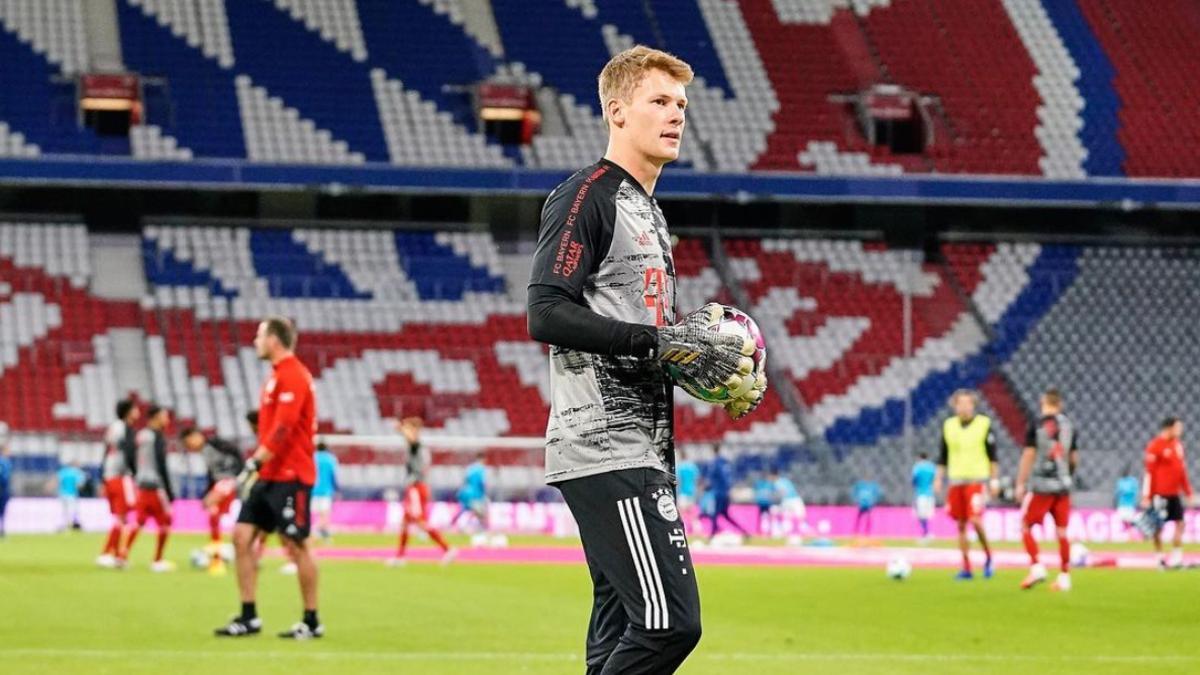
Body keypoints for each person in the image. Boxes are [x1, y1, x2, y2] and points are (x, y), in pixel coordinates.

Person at [525, 45, 765, 673]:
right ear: (617, 113)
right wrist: (657, 342)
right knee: (668, 626)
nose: (675, 114)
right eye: (659, 101)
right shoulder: (588, 195)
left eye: (681, 104)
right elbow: (546, 311)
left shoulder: (651, 213)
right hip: (606, 446)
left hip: (642, 446)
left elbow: (640, 334)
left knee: (618, 636)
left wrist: (691, 362)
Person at [214, 316, 321, 639]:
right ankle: (249, 616)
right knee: (241, 537)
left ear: (274, 340)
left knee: (297, 543)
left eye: (259, 335)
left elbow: (284, 428)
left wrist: (254, 461)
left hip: (291, 474)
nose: (255, 341)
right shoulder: (276, 376)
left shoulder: (294, 376)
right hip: (270, 474)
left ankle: (312, 621)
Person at [1016, 389, 1079, 591]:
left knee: (1025, 526)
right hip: (1063, 485)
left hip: (1042, 485)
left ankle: (1036, 566)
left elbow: (1028, 454)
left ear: (1043, 402)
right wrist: (1067, 475)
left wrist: (1021, 482)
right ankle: (1064, 576)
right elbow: (1074, 458)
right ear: (1059, 404)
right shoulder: (1070, 426)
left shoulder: (1036, 424)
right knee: (1062, 531)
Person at [934, 389, 998, 580]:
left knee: (976, 521)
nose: (963, 407)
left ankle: (988, 557)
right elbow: (943, 456)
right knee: (961, 525)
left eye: (967, 403)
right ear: (954, 405)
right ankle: (967, 566)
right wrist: (939, 478)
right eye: (960, 403)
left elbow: (993, 456)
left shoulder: (984, 424)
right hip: (956, 481)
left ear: (973, 405)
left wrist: (994, 480)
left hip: (976, 481)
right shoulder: (949, 426)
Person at [387, 416, 455, 565]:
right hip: (415, 488)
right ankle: (400, 556)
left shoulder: (417, 445)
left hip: (417, 488)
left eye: (408, 428)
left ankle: (447, 549)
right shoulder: (416, 446)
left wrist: (400, 427)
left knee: (421, 522)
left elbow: (411, 438)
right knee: (405, 523)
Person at [179, 425, 244, 574]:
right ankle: (218, 558)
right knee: (214, 516)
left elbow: (235, 455)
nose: (190, 448)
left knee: (216, 514)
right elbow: (213, 474)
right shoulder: (205, 451)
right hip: (225, 484)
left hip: (231, 482)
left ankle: (219, 559)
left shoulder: (215, 444)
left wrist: (239, 476)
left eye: (189, 443)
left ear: (195, 436)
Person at [122, 405, 175, 571]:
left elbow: (129, 455)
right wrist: (168, 489)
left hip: (141, 484)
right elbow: (161, 464)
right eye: (164, 416)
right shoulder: (156, 437)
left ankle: (122, 556)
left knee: (139, 521)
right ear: (155, 417)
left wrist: (137, 474)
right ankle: (158, 560)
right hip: (155, 485)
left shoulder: (140, 435)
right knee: (165, 521)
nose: (167, 420)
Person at [1141, 417, 1194, 569]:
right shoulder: (1155, 446)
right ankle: (1159, 559)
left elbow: (1181, 471)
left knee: (1180, 524)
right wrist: (1147, 496)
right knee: (1158, 527)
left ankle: (1176, 559)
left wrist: (1188, 492)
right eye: (1178, 428)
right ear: (1168, 428)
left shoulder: (1178, 445)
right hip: (1160, 494)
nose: (1180, 431)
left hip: (1174, 493)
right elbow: (1149, 473)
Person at [97, 398, 139, 567]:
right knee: (123, 517)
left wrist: (102, 477)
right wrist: (135, 473)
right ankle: (110, 553)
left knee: (119, 517)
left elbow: (106, 452)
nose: (138, 412)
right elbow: (128, 452)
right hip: (120, 476)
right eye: (135, 409)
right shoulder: (124, 429)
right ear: (128, 411)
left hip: (109, 476)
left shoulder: (114, 427)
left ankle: (111, 552)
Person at [704, 445, 751, 541]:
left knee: (715, 514)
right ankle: (744, 532)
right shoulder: (724, 462)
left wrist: (709, 486)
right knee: (725, 515)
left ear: (712, 451)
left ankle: (712, 535)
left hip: (720, 493)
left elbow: (717, 478)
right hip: (723, 492)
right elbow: (726, 478)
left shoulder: (715, 463)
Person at [451, 451, 488, 537]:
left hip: (466, 492)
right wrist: (484, 493)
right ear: (483, 459)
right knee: (480, 512)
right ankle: (481, 529)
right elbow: (482, 483)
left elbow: (465, 480)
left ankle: (454, 524)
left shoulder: (470, 468)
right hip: (476, 494)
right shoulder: (481, 469)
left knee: (464, 509)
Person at [311, 442, 339, 543]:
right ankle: (319, 532)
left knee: (312, 514)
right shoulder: (330, 459)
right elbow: (333, 475)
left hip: (313, 489)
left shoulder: (312, 457)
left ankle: (318, 533)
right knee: (324, 514)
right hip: (326, 490)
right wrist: (337, 488)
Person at [770, 469, 807, 542]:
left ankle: (782, 533)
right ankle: (786, 533)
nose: (770, 478)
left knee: (790, 516)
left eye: (771, 476)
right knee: (798, 516)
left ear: (773, 476)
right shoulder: (784, 480)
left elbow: (782, 493)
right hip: (794, 500)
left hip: (790, 500)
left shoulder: (777, 483)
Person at [912, 452, 937, 543]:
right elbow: (935, 479)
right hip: (930, 493)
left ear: (919, 458)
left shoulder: (917, 467)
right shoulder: (932, 467)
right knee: (928, 514)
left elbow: (914, 480)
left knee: (921, 515)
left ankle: (925, 533)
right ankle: (928, 533)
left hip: (920, 493)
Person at [55, 460, 86, 532]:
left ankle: (65, 525)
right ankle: (73, 525)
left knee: (65, 511)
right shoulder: (77, 473)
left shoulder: (63, 472)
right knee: (73, 510)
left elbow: (57, 481)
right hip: (72, 494)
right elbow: (79, 485)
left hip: (62, 494)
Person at [675, 453, 701, 535]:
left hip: (683, 492)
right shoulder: (693, 466)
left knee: (682, 513)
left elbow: (678, 480)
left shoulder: (680, 467)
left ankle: (684, 530)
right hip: (692, 492)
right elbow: (697, 479)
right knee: (693, 513)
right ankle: (697, 530)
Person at [0, 431, 11, 537]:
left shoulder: (7, 461)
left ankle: (2, 530)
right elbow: (3, 477)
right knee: (2, 511)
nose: (10, 452)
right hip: (2, 490)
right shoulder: (3, 461)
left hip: (5, 490)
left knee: (3, 511)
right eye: (8, 450)